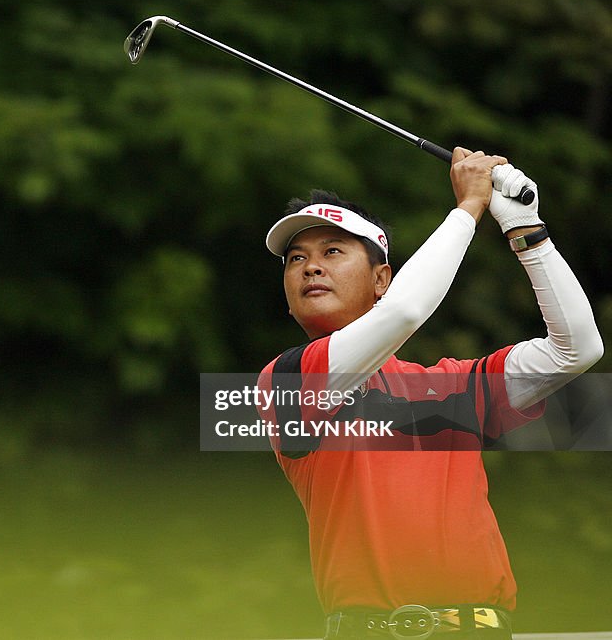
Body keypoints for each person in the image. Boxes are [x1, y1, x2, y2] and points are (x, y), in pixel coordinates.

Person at [257, 147, 603, 639]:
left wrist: (527, 230)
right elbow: (403, 313)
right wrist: (468, 209)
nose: (311, 267)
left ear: (381, 280)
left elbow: (578, 348)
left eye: (332, 251)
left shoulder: (455, 385)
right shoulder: (290, 378)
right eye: (297, 259)